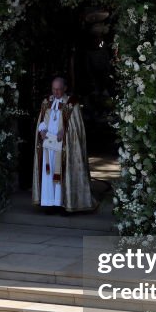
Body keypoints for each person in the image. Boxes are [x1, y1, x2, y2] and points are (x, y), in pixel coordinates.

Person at [32, 76, 96, 212]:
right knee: (48, 174)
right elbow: (42, 120)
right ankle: (49, 203)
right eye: (54, 89)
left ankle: (63, 203)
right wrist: (42, 130)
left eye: (59, 90)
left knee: (62, 173)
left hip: (64, 146)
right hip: (48, 145)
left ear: (65, 88)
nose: (56, 93)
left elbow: (76, 127)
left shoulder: (72, 104)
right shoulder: (46, 102)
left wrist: (65, 131)